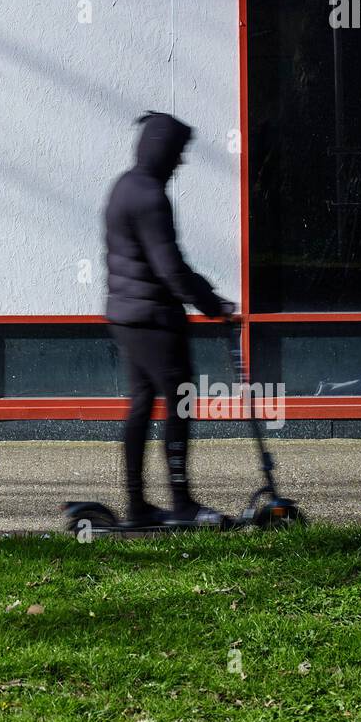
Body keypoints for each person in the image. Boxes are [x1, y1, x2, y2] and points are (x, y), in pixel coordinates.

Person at [104, 112, 233, 528]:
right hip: (155, 321)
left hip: (126, 317)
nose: (180, 162)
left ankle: (138, 506)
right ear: (162, 150)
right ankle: (182, 504)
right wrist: (213, 304)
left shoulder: (125, 186)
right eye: (178, 152)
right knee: (179, 406)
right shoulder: (149, 197)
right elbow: (170, 268)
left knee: (141, 406)